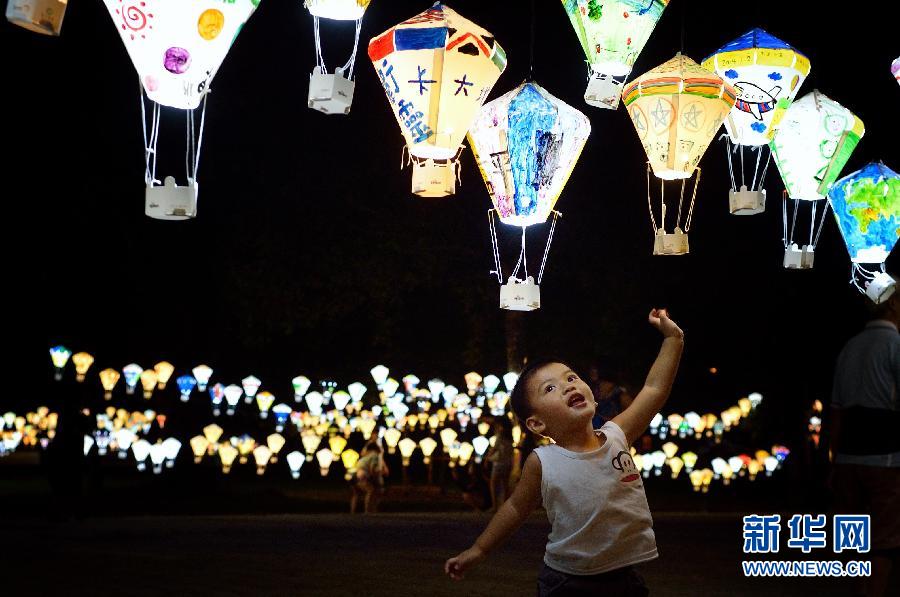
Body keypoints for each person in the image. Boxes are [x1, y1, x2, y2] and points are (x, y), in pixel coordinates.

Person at [445, 308, 684, 595]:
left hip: (624, 577)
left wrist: (673, 339)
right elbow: (515, 508)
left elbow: (655, 388)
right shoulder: (544, 462)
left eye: (571, 378)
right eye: (550, 389)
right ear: (537, 423)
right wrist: (479, 550)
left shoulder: (616, 435)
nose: (567, 387)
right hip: (568, 581)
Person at [829, 281, 900, 597]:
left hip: (847, 457)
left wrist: (832, 461)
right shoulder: (895, 345)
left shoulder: (849, 347)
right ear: (894, 305)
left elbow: (836, 411)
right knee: (885, 539)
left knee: (857, 539)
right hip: (885, 457)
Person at [588, 364, 634, 429]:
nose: (591, 371)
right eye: (591, 369)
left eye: (595, 369)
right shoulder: (592, 388)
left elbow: (633, 415)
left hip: (613, 431)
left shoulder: (618, 392)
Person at [484, 417, 515, 512]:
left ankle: (495, 506)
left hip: (499, 463)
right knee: (505, 485)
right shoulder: (510, 436)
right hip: (508, 462)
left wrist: (486, 459)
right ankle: (504, 506)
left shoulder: (500, 435)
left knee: (494, 484)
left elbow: (495, 448)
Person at [350, 441, 389, 514]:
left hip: (355, 476)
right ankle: (368, 511)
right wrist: (378, 475)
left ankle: (353, 512)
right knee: (371, 491)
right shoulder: (375, 455)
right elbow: (373, 468)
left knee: (356, 494)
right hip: (363, 475)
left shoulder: (364, 457)